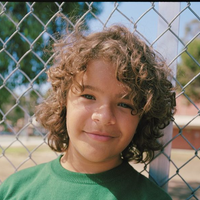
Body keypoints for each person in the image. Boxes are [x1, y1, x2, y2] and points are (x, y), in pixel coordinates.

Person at [0, 23, 176, 200]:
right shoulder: (14, 190)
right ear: (63, 102)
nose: (104, 117)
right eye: (89, 96)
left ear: (143, 117)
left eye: (125, 104)